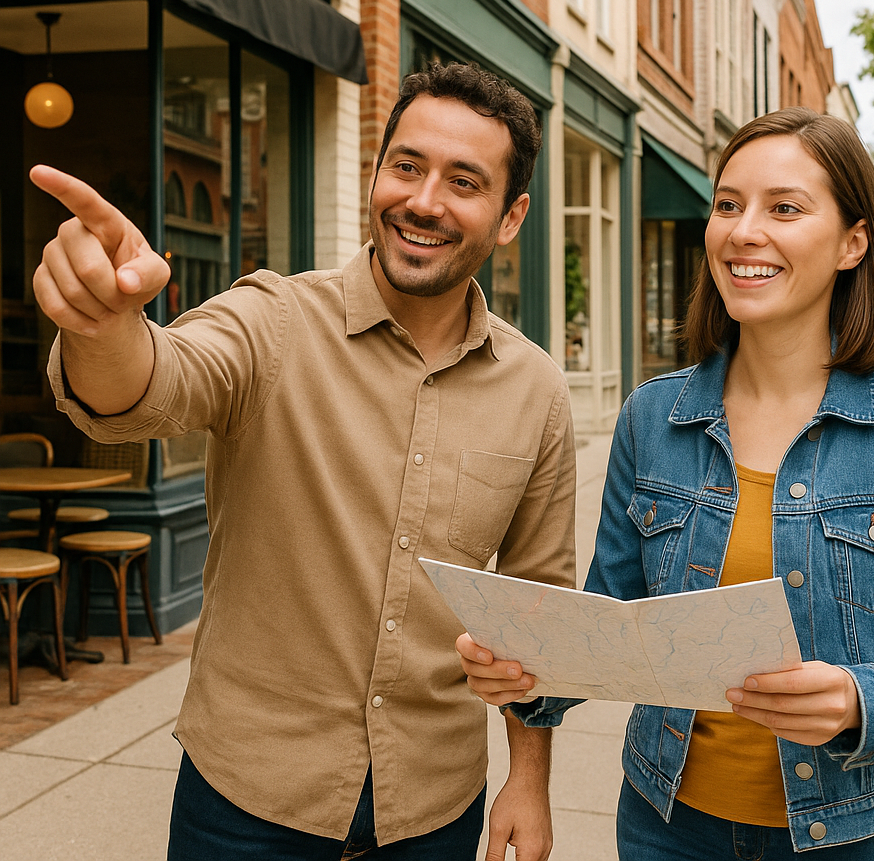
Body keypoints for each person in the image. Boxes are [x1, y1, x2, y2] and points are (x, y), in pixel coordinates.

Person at [32, 62, 576, 861]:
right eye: (407, 167)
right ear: (376, 173)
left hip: (433, 810)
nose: (424, 201)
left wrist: (528, 780)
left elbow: (537, 612)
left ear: (509, 216)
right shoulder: (273, 320)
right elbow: (152, 385)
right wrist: (103, 326)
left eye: (464, 181)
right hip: (245, 804)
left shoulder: (536, 390)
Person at [458, 107, 874, 859]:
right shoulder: (653, 417)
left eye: (784, 207)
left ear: (854, 241)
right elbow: (614, 623)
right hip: (666, 828)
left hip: (859, 835)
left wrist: (862, 700)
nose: (743, 230)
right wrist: (530, 672)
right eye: (728, 205)